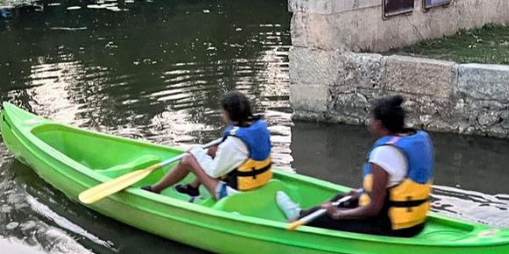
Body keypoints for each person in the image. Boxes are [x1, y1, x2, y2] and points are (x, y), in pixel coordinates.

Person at [275, 95, 433, 237]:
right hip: (416, 223)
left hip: (393, 228)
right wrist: (360, 194)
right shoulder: (418, 139)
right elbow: (396, 182)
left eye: (372, 119)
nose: (370, 123)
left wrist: (337, 213)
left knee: (326, 216)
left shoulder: (383, 154)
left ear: (378, 124)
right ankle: (299, 213)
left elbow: (374, 208)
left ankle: (299, 219)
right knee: (342, 198)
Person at [144, 91, 272, 201]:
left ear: (228, 113)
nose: (222, 115)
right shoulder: (259, 127)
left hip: (233, 195)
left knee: (187, 159)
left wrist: (196, 151)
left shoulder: (233, 142)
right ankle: (193, 187)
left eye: (223, 112)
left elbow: (214, 171)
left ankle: (155, 189)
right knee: (212, 149)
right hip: (259, 183)